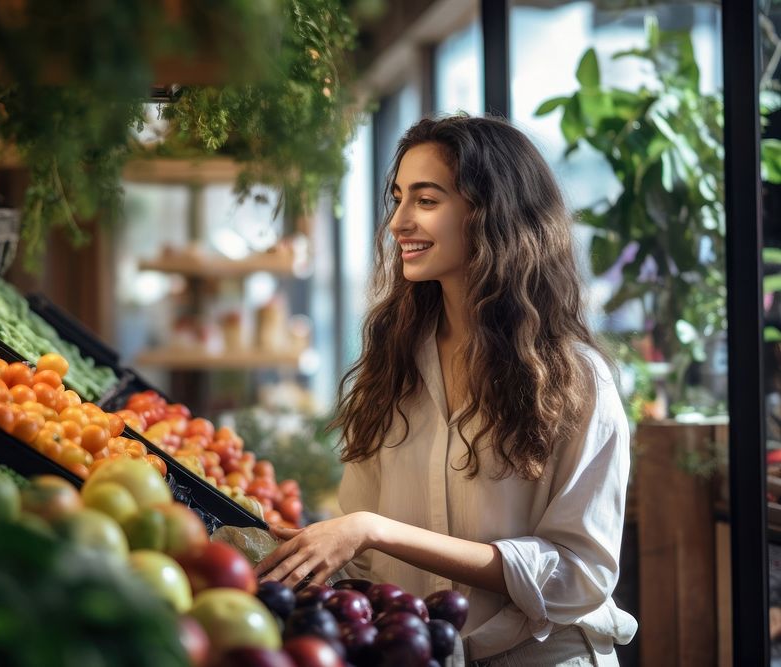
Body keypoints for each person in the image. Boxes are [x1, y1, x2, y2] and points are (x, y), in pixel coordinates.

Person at [254, 115, 638, 665]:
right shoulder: (393, 365)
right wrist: (309, 550)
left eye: (426, 200)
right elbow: (366, 560)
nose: (398, 223)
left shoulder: (576, 381)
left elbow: (579, 576)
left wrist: (376, 530)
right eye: (397, 198)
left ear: (491, 215)